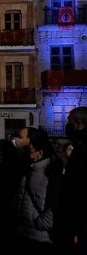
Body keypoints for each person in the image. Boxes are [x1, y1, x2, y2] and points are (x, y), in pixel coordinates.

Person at [12, 128, 63, 255]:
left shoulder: (47, 171)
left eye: (20, 137)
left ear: (39, 152)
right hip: (27, 230)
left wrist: (41, 223)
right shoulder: (30, 168)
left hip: (39, 234)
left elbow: (54, 202)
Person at [55, 106, 87, 254]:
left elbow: (77, 187)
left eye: (71, 122)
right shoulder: (79, 146)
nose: (68, 126)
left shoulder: (81, 148)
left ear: (79, 123)